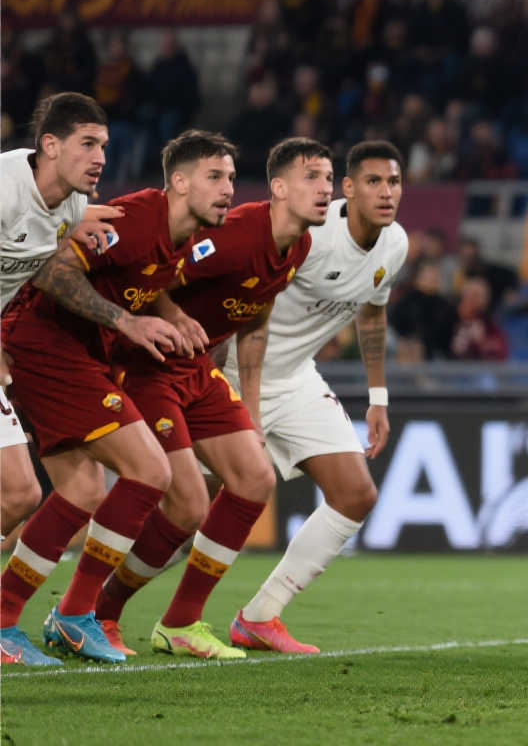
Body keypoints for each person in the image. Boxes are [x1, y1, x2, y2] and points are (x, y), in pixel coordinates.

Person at [91, 138, 326, 660]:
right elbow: (149, 273)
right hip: (147, 364)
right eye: (313, 177)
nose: (326, 189)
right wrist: (173, 315)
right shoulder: (232, 236)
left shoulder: (299, 245)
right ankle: (99, 610)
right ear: (279, 188)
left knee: (255, 478)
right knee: (188, 503)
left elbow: (256, 324)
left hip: (198, 369)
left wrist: (253, 413)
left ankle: (180, 623)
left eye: (329, 179)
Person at [0, 128, 220, 665]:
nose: (229, 189)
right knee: (149, 471)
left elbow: (146, 277)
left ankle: (7, 619)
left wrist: (169, 312)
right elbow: (53, 269)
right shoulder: (137, 218)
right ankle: (76, 614)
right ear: (179, 182)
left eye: (233, 178)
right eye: (216, 176)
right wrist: (127, 322)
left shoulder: (181, 237)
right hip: (46, 344)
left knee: (79, 490)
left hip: (70, 349)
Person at [217, 141, 409, 654]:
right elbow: (247, 313)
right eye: (373, 181)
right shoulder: (312, 233)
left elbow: (373, 311)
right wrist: (241, 403)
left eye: (394, 182)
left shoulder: (395, 244)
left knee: (356, 493)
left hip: (296, 376)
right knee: (188, 504)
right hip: (236, 371)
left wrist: (378, 396)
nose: (386, 193)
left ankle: (259, 617)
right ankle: (93, 605)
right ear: (349, 188)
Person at [0, 94, 133, 664]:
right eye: (88, 143)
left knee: (21, 493)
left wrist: (79, 227)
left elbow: (43, 251)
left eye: (104, 145)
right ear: (49, 145)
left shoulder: (71, 203)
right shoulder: (5, 187)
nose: (100, 156)